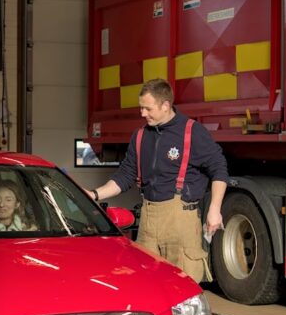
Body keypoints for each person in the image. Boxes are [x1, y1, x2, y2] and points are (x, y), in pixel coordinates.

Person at [88, 79, 228, 283]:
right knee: (147, 284)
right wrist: (95, 194)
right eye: (141, 108)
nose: (142, 114)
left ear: (165, 105)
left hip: (181, 222)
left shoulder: (192, 132)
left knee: (181, 286)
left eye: (147, 108)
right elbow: (125, 175)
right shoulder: (140, 136)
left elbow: (219, 169)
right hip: (148, 220)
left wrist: (215, 209)